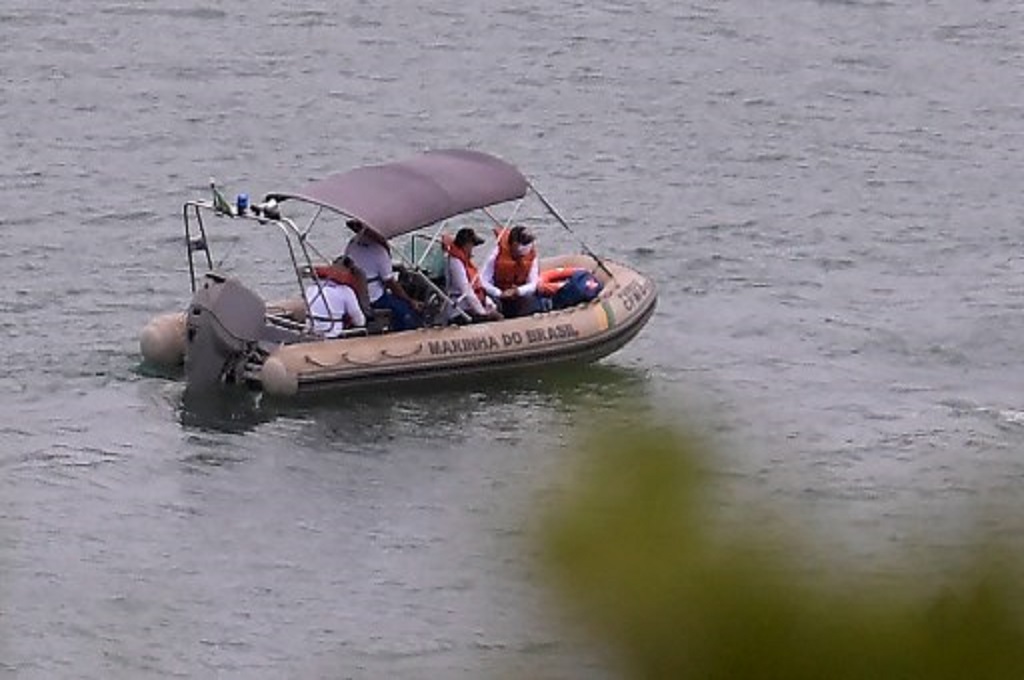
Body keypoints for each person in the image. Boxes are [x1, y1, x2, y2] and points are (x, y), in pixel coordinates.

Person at [343, 219, 423, 331]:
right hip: (374, 297)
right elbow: (390, 283)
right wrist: (410, 301)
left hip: (354, 293)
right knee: (405, 310)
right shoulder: (379, 251)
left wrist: (396, 267)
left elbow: (359, 264)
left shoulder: (353, 243)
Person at [481, 224, 542, 318]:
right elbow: (483, 281)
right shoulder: (496, 254)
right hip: (498, 294)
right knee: (490, 302)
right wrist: (499, 293)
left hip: (517, 294)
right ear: (514, 244)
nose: (529, 246)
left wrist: (518, 291)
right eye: (525, 243)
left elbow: (533, 283)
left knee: (533, 302)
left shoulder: (532, 257)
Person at [445, 227, 502, 323]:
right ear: (466, 245)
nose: (472, 249)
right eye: (472, 245)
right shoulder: (455, 263)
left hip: (470, 305)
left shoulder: (465, 261)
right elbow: (466, 290)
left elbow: (477, 289)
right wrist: (483, 313)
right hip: (460, 309)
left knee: (497, 304)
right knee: (495, 318)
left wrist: (488, 303)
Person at [304, 255, 366, 338]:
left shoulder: (311, 289)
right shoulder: (346, 291)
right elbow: (359, 321)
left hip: (311, 332)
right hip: (332, 335)